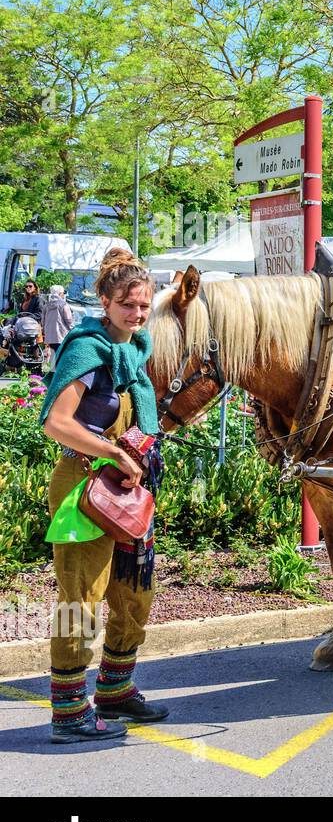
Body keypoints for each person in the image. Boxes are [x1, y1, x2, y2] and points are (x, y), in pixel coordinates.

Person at [39, 247, 167, 744]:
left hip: (127, 489)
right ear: (105, 302)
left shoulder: (135, 352)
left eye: (143, 306)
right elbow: (57, 423)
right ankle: (69, 711)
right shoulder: (85, 348)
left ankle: (116, 688)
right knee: (81, 599)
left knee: (135, 592)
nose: (137, 314)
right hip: (82, 488)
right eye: (127, 305)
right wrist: (114, 454)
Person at [41, 284, 75, 370]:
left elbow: (43, 321)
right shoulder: (64, 305)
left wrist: (45, 331)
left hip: (50, 335)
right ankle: (60, 374)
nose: (64, 295)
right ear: (60, 293)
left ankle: (53, 375)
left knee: (53, 355)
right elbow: (69, 320)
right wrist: (73, 330)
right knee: (62, 355)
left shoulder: (46, 305)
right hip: (62, 335)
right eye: (63, 293)